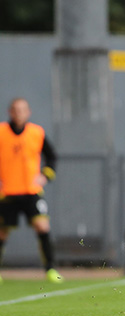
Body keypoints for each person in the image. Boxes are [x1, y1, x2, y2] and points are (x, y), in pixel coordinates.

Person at [0, 98, 63, 283]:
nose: (19, 113)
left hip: (31, 191)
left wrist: (45, 176)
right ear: (10, 112)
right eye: (15, 110)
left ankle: (50, 269)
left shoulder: (37, 133)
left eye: (22, 110)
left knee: (42, 226)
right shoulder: (2, 132)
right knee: (2, 231)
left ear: (28, 112)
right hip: (7, 192)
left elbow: (51, 158)